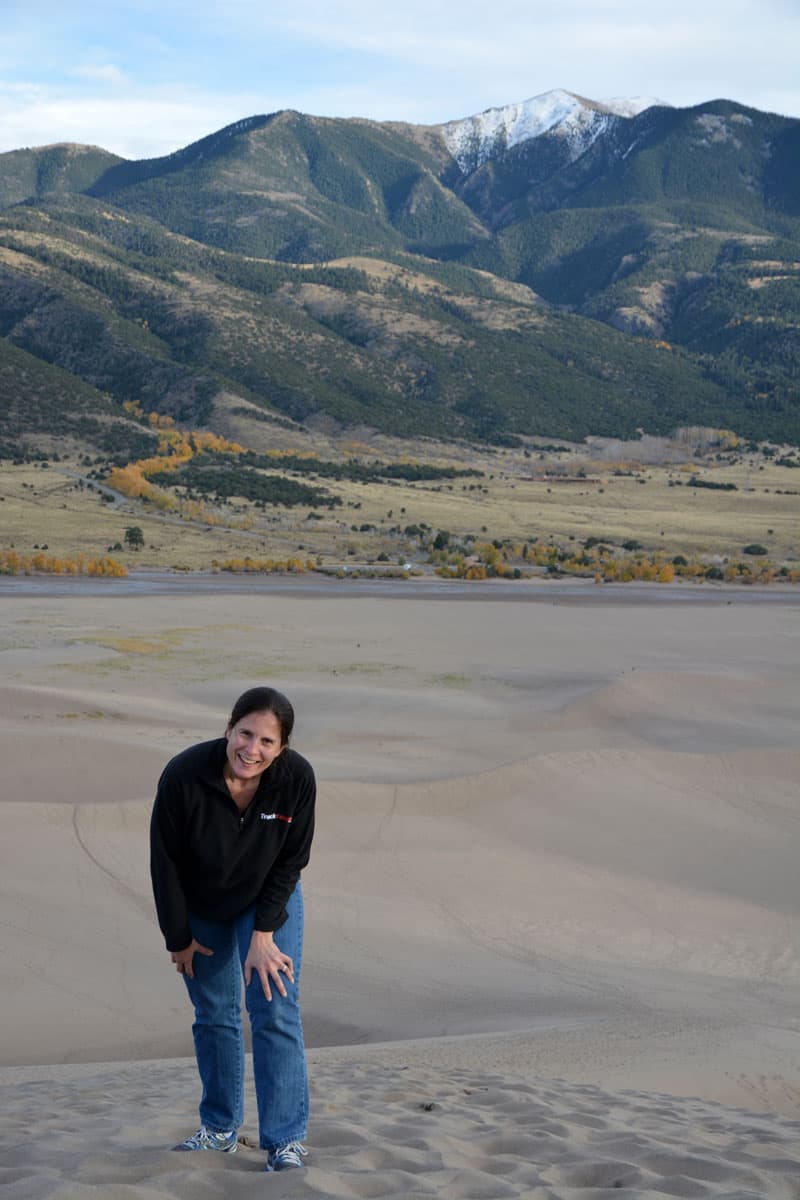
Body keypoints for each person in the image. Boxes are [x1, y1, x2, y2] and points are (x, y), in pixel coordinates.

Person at [150, 686, 315, 1172]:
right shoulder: (184, 774)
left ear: (282, 747)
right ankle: (220, 1129)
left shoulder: (297, 779)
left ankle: (285, 1140)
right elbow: (164, 863)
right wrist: (177, 937)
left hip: (268, 900)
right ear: (228, 728)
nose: (252, 749)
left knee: (275, 1008)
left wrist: (263, 935)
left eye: (267, 741)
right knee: (214, 1014)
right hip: (203, 904)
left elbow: (293, 859)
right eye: (245, 734)